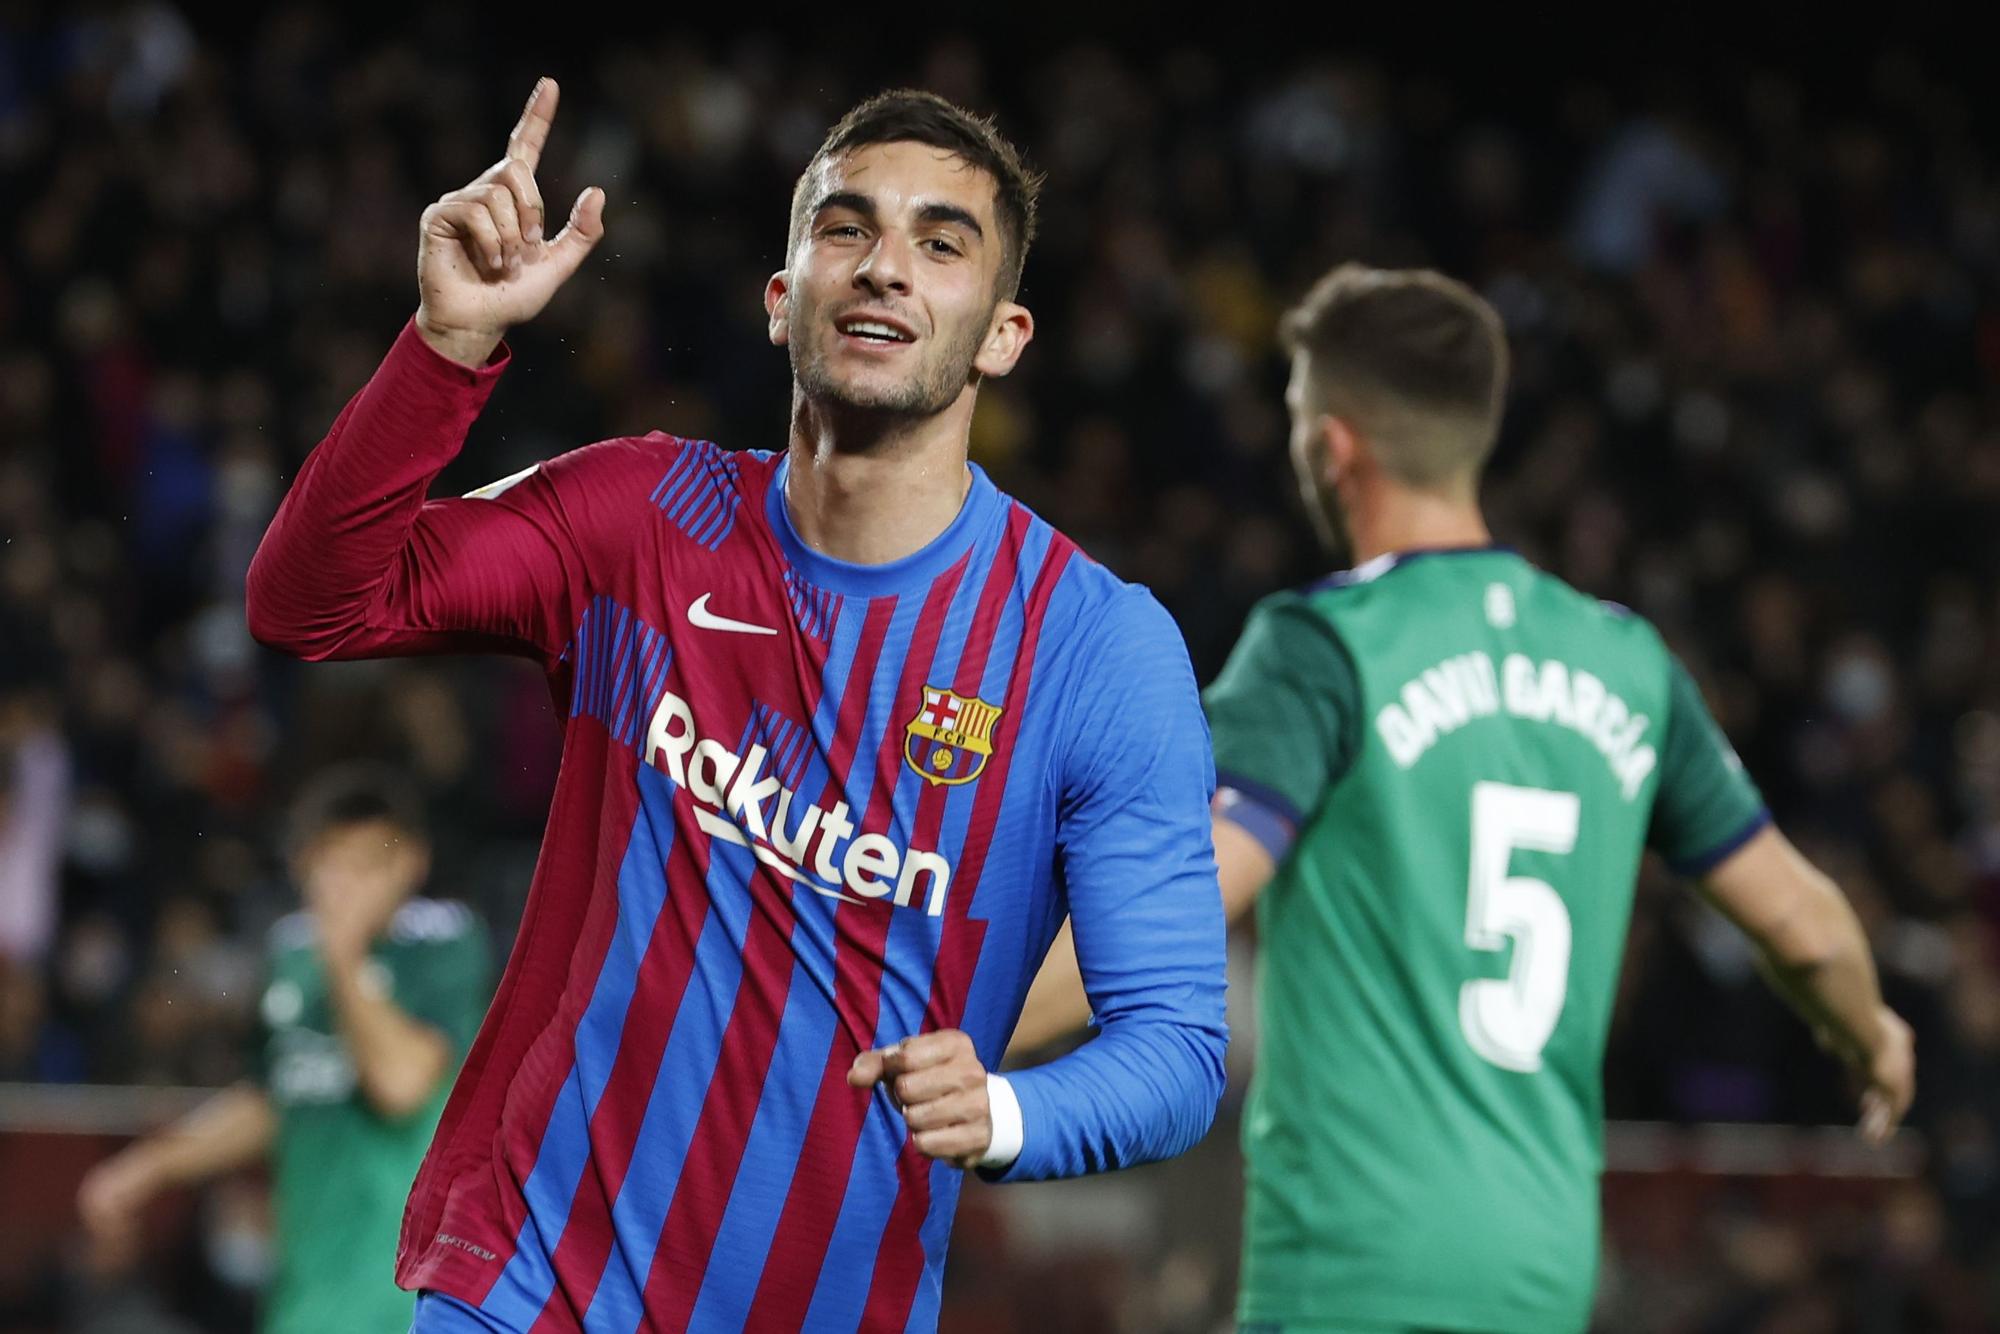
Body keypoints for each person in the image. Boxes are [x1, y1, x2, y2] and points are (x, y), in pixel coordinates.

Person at [243, 78, 1227, 1332]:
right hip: (526, 1283)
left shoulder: (1092, 648)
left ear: (1001, 333)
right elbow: (313, 602)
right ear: (782, 299)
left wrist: (1012, 1110)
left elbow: (1177, 1046)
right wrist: (448, 350)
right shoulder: (639, 514)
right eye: (843, 228)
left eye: (940, 244)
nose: (883, 268)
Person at [1008, 264, 1916, 1333]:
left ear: (1332, 442)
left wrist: (968, 1032)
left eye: (1300, 414)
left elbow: (1180, 907)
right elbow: (1804, 925)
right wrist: (1870, 1037)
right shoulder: (1624, 659)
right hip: (1539, 1278)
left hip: (1348, 1272)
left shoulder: (1325, 646)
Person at [76, 764, 491, 1334]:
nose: (345, 885)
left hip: (406, 1304)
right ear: (302, 865)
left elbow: (402, 1086)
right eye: (331, 862)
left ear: (410, 863)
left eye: (367, 864)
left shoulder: (443, 944)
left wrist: (344, 954)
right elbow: (274, 1098)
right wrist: (150, 1166)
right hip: (305, 1300)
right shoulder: (292, 956)